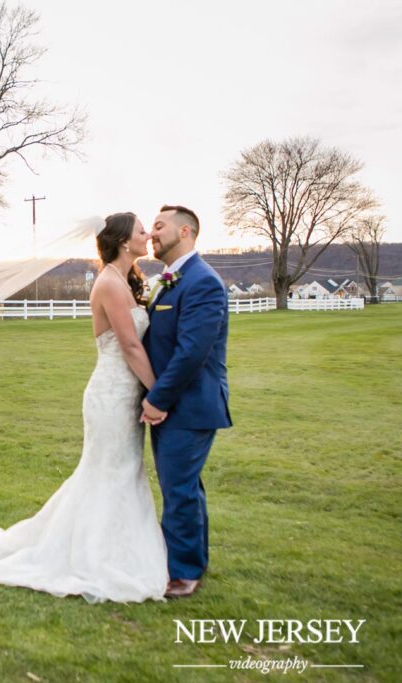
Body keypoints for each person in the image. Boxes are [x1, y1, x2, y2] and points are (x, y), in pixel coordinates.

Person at [0, 212, 169, 603]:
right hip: (111, 395)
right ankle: (96, 556)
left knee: (122, 471)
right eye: (141, 231)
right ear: (124, 242)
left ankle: (114, 547)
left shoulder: (125, 280)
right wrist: (160, 394)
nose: (147, 236)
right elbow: (131, 346)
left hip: (124, 393)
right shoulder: (108, 283)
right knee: (109, 472)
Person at [141, 205, 232, 598]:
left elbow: (192, 352)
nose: (151, 234)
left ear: (187, 232)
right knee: (186, 488)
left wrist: (158, 400)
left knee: (178, 490)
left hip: (188, 405)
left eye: (160, 227)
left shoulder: (203, 282)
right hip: (176, 405)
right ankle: (194, 560)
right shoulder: (168, 280)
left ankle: (182, 574)